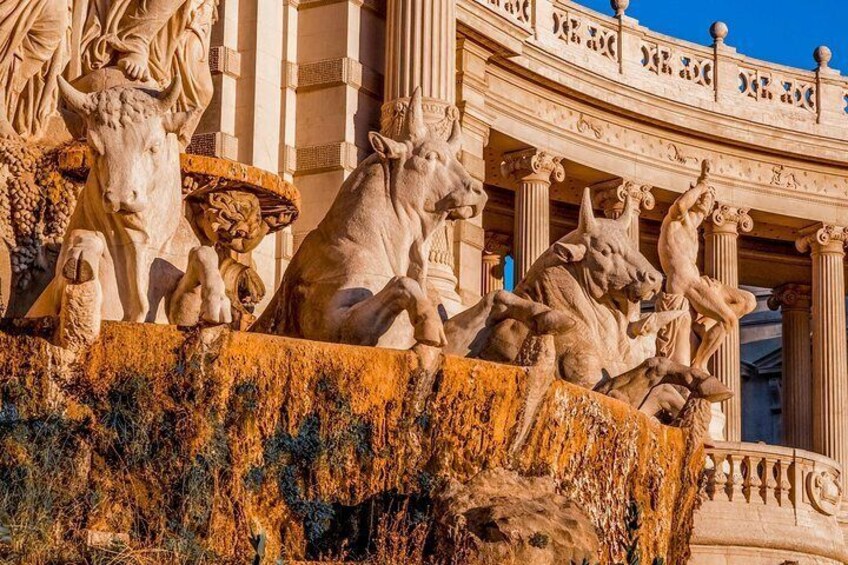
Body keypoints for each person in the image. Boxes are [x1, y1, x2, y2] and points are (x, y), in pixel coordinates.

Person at [658, 160, 757, 371]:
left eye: (710, 199)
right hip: (684, 282)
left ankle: (705, 325)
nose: (707, 202)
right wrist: (702, 186)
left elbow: (697, 212)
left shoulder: (693, 228)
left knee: (748, 301)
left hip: (696, 281)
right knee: (729, 320)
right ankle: (699, 365)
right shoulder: (674, 221)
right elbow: (681, 206)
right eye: (703, 198)